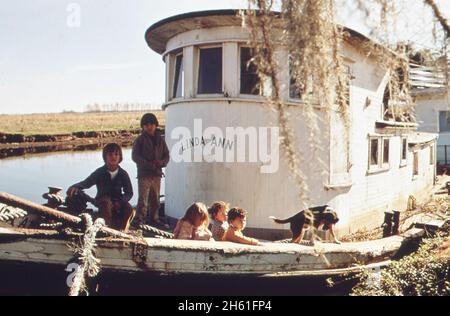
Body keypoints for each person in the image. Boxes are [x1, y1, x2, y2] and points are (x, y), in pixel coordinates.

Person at [67, 143, 134, 232]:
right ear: (105, 157)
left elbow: (129, 193)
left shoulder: (123, 174)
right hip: (102, 200)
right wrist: (75, 186)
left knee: (129, 209)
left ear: (120, 157)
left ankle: (122, 230)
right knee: (106, 203)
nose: (113, 157)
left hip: (118, 200)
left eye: (116, 154)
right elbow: (87, 183)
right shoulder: (100, 172)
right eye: (110, 155)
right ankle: (107, 229)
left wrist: (121, 201)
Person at [132, 113, 170, 228]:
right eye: (147, 125)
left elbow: (167, 155)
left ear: (156, 125)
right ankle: (140, 220)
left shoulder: (160, 140)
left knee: (155, 199)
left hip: (157, 174)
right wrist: (149, 165)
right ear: (143, 126)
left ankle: (154, 219)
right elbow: (135, 157)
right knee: (143, 200)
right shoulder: (139, 140)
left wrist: (162, 163)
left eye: (152, 124)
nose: (150, 127)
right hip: (144, 174)